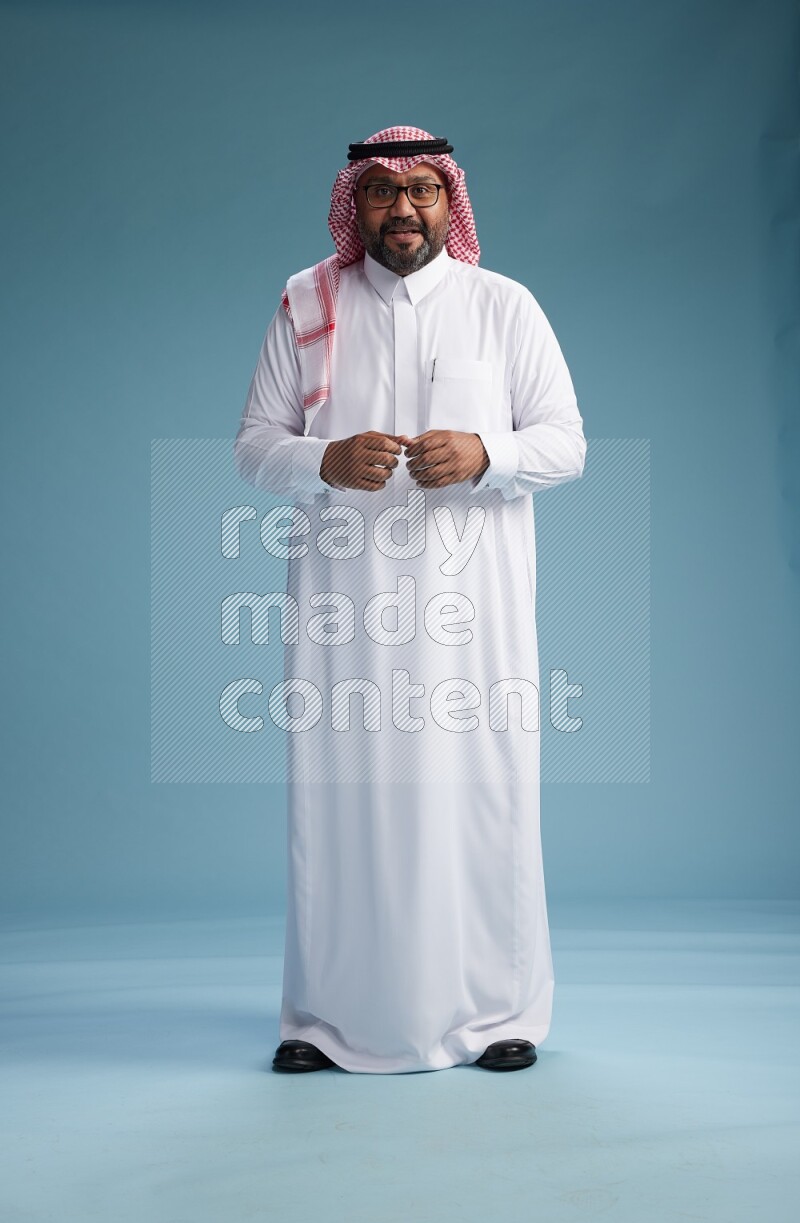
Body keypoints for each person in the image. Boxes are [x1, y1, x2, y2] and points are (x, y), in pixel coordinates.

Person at [233, 126, 586, 1074]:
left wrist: (487, 453)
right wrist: (323, 459)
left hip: (474, 617)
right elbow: (254, 446)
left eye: (423, 191)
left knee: (481, 797)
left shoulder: (502, 306)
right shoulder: (310, 302)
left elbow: (566, 442)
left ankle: (502, 1013)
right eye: (384, 192)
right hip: (345, 615)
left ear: (449, 201)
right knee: (343, 806)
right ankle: (321, 1022)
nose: (404, 210)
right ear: (359, 202)